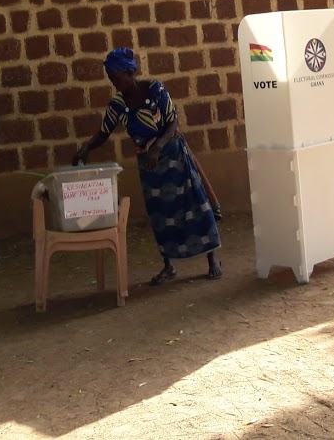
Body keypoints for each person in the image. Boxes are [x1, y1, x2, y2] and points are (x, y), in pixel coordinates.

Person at [72, 47, 223, 284]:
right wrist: (85, 149)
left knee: (194, 205)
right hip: (150, 167)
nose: (113, 82)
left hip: (173, 156)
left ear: (130, 72)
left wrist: (158, 147)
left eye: (115, 77)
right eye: (110, 78)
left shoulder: (156, 90)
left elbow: (173, 122)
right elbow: (103, 133)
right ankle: (168, 265)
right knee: (160, 215)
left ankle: (213, 259)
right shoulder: (117, 105)